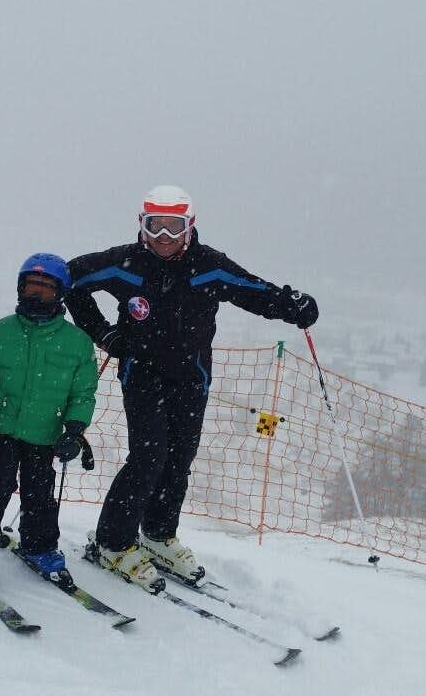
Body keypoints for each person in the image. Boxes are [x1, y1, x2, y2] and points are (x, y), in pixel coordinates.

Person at [65, 185, 319, 591]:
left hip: (192, 378)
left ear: (190, 226)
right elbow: (69, 279)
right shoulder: (124, 263)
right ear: (142, 226)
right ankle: (112, 542)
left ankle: (158, 535)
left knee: (179, 458)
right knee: (148, 458)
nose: (164, 237)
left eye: (174, 227)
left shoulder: (208, 266)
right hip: (142, 375)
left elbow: (253, 291)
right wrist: (103, 334)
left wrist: (293, 306)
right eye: (155, 226)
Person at [0, 254, 98, 591]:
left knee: (41, 491)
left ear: (60, 294)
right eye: (32, 286)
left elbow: (83, 394)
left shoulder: (77, 343)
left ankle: (40, 546)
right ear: (20, 288)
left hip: (45, 433)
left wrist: (74, 430)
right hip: (1, 428)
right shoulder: (1, 333)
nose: (37, 294)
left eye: (47, 289)